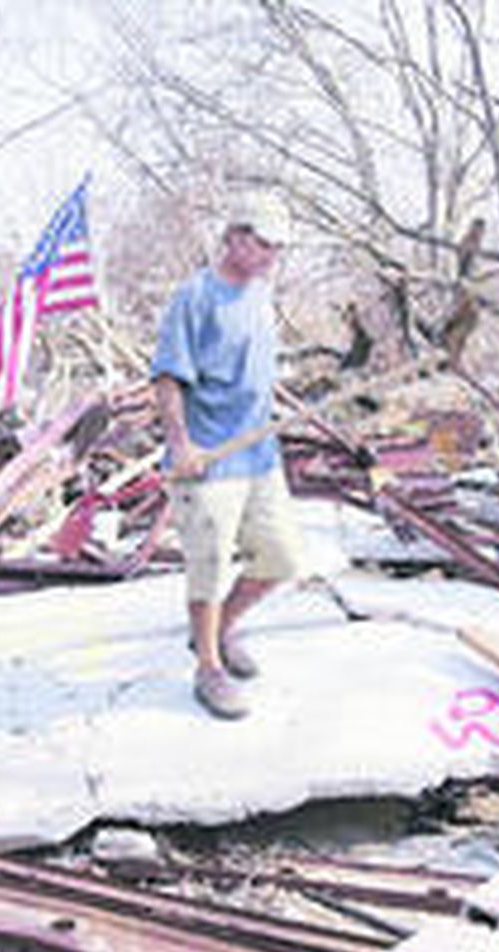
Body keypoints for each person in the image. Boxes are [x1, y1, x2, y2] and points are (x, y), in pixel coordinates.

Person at [151, 192, 305, 720]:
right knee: (209, 568)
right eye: (262, 244)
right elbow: (169, 376)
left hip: (260, 454)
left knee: (281, 557)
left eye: (277, 248)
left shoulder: (262, 298)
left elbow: (256, 372)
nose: (270, 256)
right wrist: (180, 445)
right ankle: (209, 668)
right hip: (210, 455)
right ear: (235, 237)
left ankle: (219, 631)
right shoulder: (194, 297)